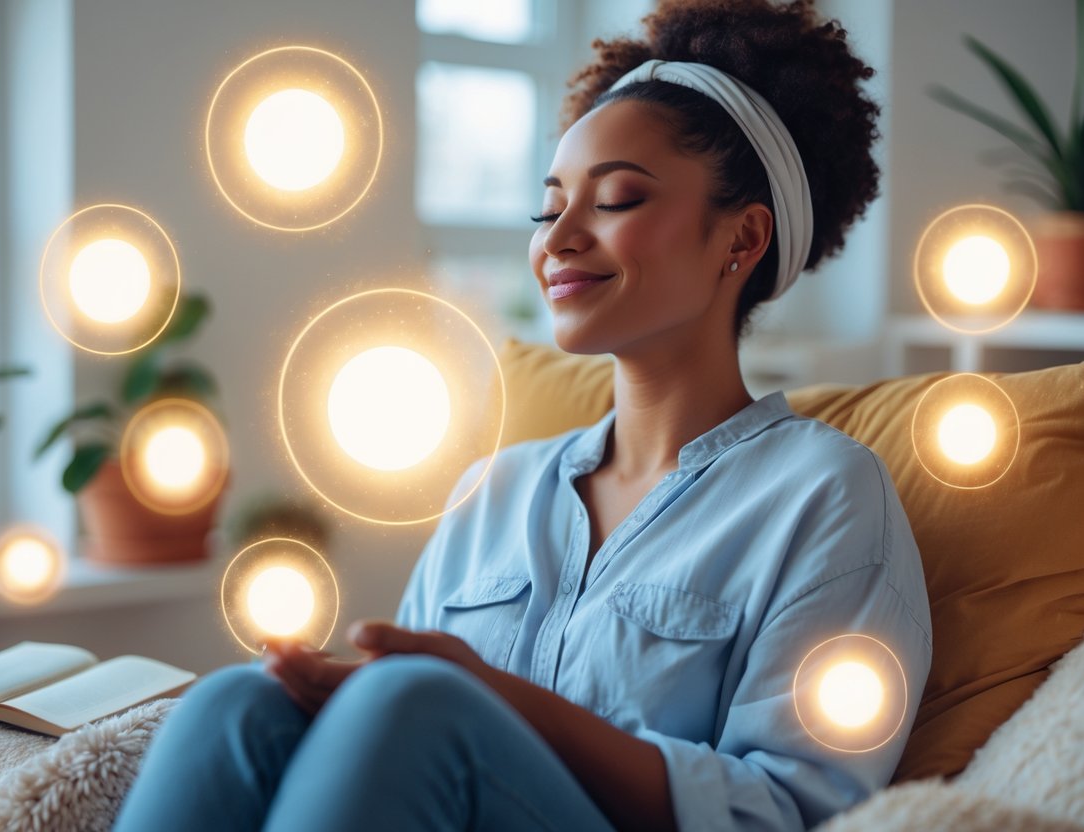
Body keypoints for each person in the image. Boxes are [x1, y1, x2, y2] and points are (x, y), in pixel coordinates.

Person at [114, 1, 932, 829]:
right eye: (547, 209)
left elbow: (791, 811)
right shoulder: (493, 494)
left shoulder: (822, 495)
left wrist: (489, 697)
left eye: (614, 200)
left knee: (417, 707)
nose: (558, 238)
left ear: (742, 238)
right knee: (237, 706)